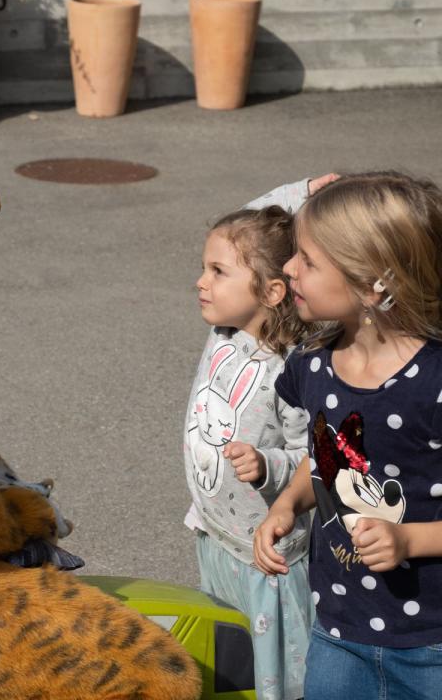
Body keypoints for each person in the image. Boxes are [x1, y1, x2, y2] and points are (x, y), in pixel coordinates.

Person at [254, 172, 442, 700]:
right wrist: (287, 504)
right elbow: (324, 456)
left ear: (372, 283)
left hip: (431, 643)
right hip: (338, 627)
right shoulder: (313, 363)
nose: (289, 268)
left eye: (308, 261)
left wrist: (410, 540)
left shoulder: (434, 384)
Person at [184, 175, 335, 700]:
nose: (201, 281)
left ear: (272, 291)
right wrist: (303, 189)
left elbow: (312, 455)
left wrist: (268, 465)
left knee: (277, 671)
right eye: (205, 267)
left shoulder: (293, 369)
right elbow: (245, 221)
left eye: (218, 271)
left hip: (265, 553)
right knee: (230, 649)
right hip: (216, 530)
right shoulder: (222, 330)